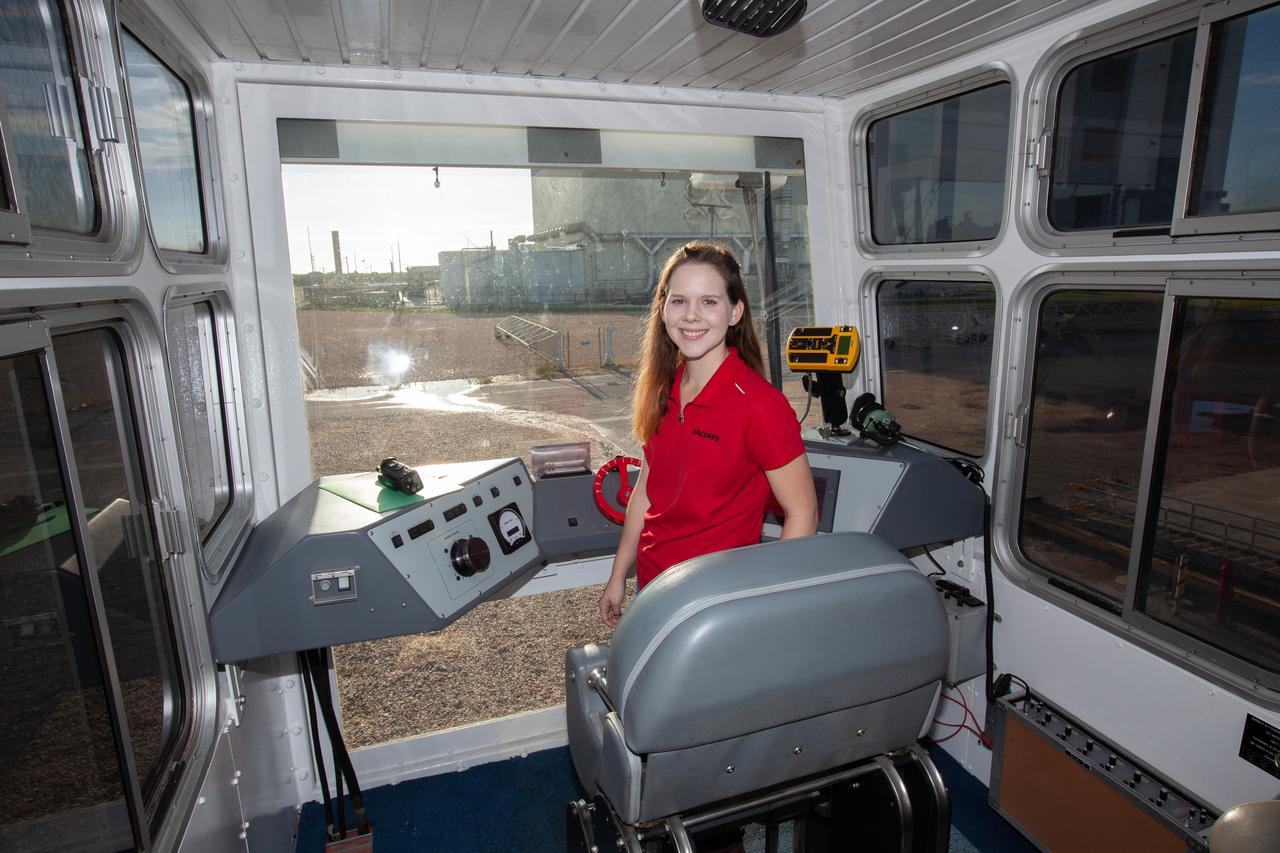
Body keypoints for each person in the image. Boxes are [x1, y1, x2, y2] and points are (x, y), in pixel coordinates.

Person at [598, 240, 818, 629]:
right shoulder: (663, 390)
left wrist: (772, 605)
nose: (691, 316)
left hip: (717, 601)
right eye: (679, 301)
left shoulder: (760, 405)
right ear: (663, 308)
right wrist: (618, 575)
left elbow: (803, 514)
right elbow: (646, 491)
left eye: (709, 302)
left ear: (735, 312)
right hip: (654, 586)